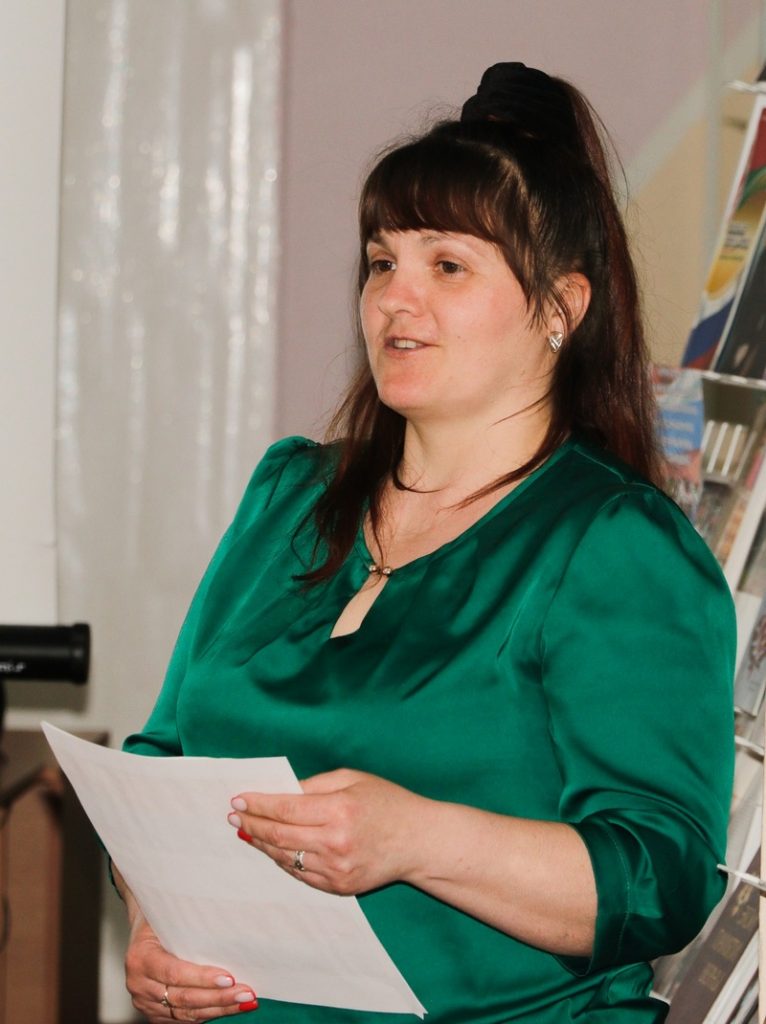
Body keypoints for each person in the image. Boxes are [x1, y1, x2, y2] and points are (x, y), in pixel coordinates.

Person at [114, 62, 736, 1023]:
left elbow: (661, 877)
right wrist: (154, 924)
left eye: (447, 266)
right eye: (381, 263)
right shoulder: (289, 494)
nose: (395, 300)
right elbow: (161, 761)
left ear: (560, 309)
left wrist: (417, 840)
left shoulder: (614, 544)